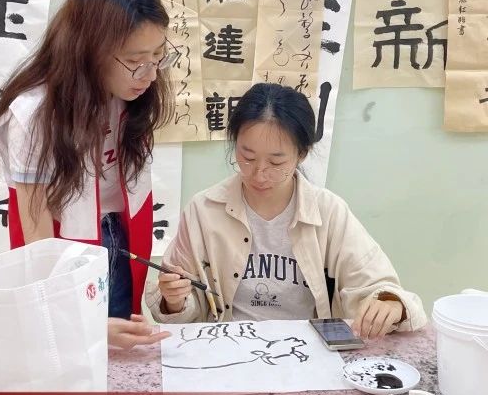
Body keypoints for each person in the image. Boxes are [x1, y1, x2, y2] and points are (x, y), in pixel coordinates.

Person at [0, 0, 176, 348]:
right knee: (73, 350)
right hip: (60, 252)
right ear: (90, 50)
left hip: (121, 237)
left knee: (118, 347)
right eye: (136, 60)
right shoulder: (36, 114)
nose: (150, 74)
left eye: (158, 56)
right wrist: (82, 325)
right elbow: (36, 240)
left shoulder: (129, 92)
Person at [146, 83, 427, 338]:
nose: (259, 173)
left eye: (276, 162)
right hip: (231, 349)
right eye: (247, 157)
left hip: (309, 351)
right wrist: (174, 300)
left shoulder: (328, 211)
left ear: (302, 154)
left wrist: (391, 304)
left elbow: (376, 285)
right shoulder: (204, 210)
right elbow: (180, 311)